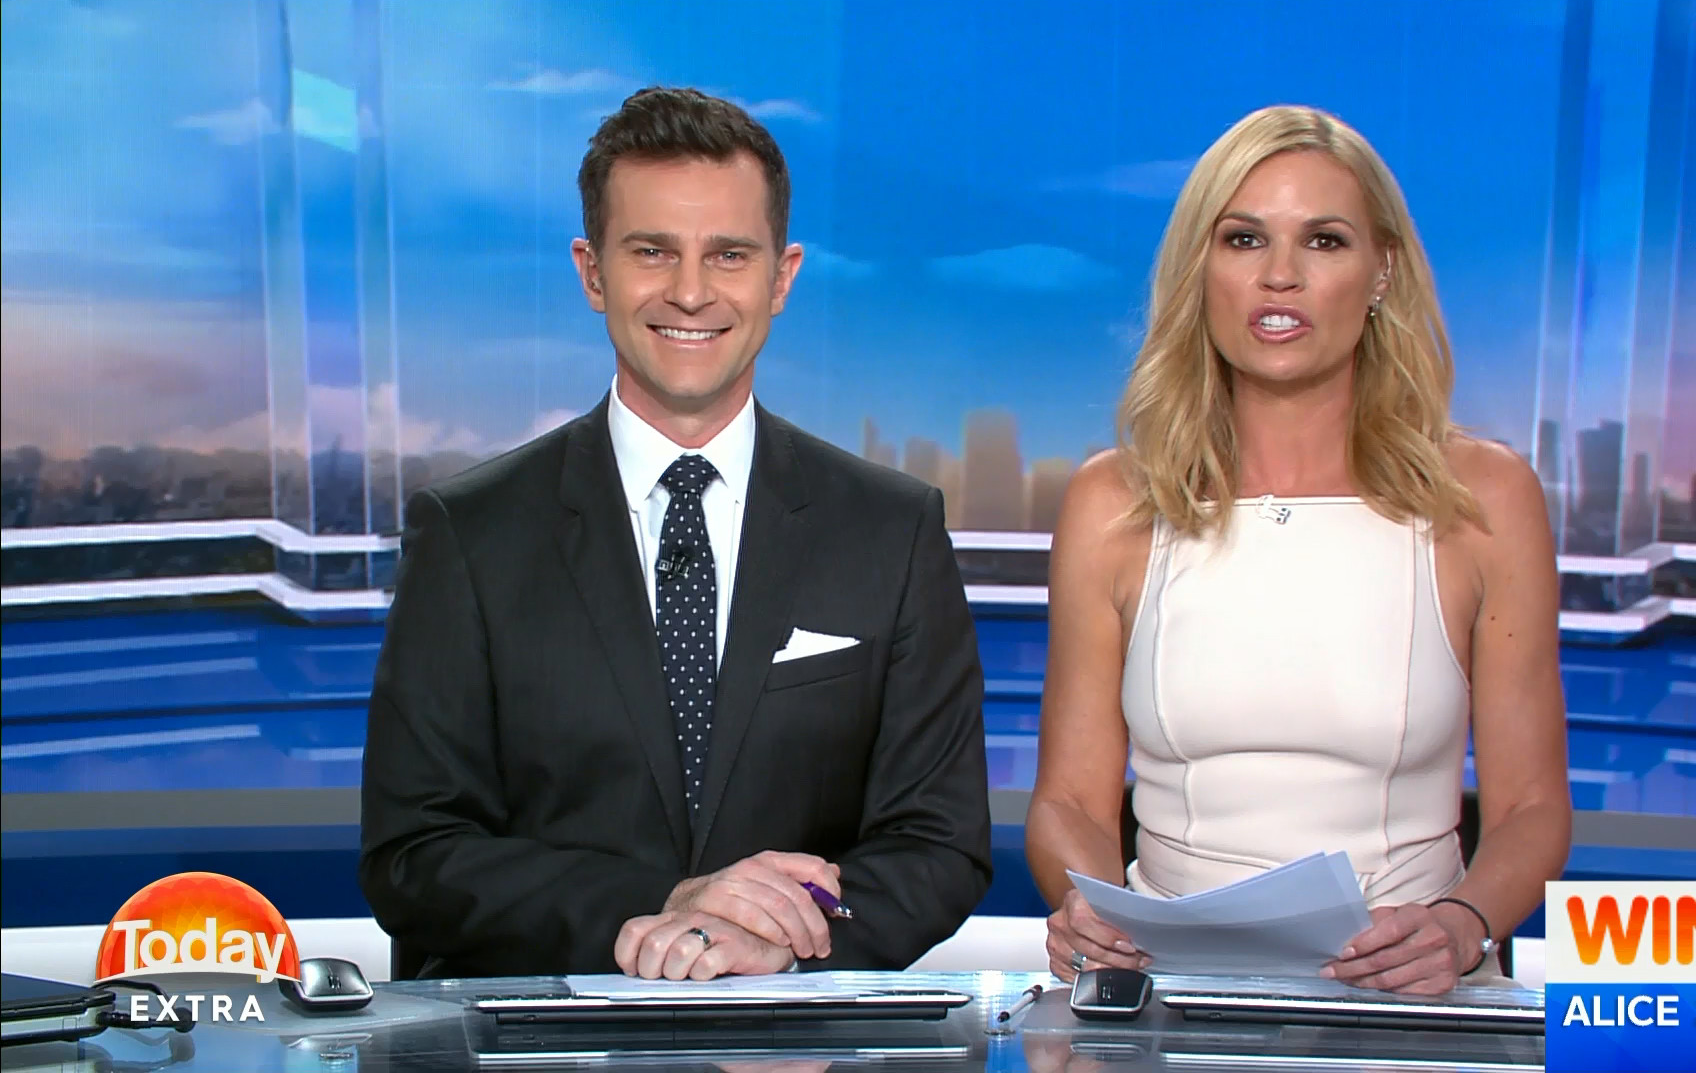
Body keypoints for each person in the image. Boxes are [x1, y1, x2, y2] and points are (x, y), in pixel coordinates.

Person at [359, 87, 993, 980]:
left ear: (782, 277)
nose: (691, 293)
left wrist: (777, 936)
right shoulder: (469, 532)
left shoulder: (892, 529)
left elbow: (938, 842)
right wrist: (666, 904)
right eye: (652, 251)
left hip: (796, 1029)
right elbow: (413, 855)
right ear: (592, 272)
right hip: (545, 1029)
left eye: (728, 255)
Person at [1024, 105, 1571, 995]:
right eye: (1243, 239)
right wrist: (1088, 906)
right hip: (1168, 988)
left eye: (1324, 241)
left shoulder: (1484, 499)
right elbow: (1070, 802)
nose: (1280, 275)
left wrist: (1463, 924)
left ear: (1382, 270)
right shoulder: (1113, 501)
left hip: (1409, 991)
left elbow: (1531, 808)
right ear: (1201, 268)